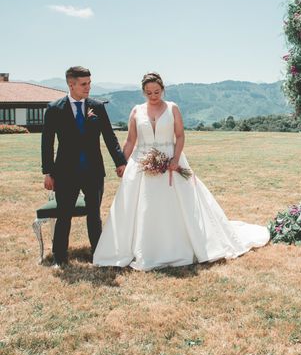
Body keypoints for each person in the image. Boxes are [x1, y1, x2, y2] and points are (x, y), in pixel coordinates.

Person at [93, 72, 270, 270]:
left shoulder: (172, 108)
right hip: (141, 162)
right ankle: (142, 248)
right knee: (142, 206)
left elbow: (180, 136)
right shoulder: (136, 111)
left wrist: (175, 159)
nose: (153, 96)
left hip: (171, 161)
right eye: (149, 92)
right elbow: (131, 140)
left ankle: (180, 247)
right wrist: (122, 163)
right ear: (143, 92)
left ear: (163, 89)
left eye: (157, 92)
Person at [41, 66, 127, 266]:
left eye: (89, 83)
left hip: (93, 171)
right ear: (71, 84)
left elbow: (109, 136)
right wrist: (48, 172)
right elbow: (47, 143)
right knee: (64, 215)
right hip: (65, 172)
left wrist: (120, 161)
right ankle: (60, 258)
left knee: (94, 215)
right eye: (83, 84)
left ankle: (98, 254)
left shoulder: (97, 106)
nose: (88, 87)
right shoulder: (54, 108)